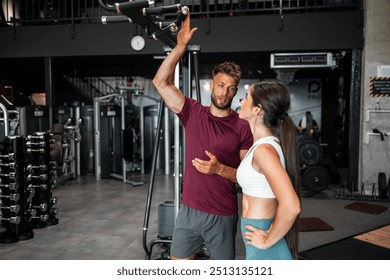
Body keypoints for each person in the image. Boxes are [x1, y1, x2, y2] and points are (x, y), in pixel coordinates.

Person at [152, 14, 253, 260]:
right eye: (221, 85)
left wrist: (220, 169)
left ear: (235, 91)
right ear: (212, 86)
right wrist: (180, 47)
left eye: (231, 87)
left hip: (223, 213)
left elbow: (246, 178)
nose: (225, 91)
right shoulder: (193, 112)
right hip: (190, 212)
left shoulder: (243, 126)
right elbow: (160, 82)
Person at [236, 80, 301, 260]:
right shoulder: (260, 147)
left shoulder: (264, 151)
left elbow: (292, 206)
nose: (241, 102)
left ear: (257, 109)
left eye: (246, 97)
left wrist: (266, 241)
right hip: (257, 238)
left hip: (264, 245)